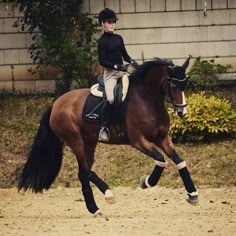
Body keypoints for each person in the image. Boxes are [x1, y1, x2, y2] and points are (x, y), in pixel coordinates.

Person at [97, 8, 138, 141]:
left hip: (122, 72)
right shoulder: (102, 41)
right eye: (109, 22)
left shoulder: (118, 38)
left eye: (114, 21)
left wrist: (131, 61)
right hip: (110, 74)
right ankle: (104, 127)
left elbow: (124, 54)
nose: (113, 24)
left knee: (134, 91)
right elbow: (102, 60)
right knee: (110, 99)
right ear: (103, 23)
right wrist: (115, 66)